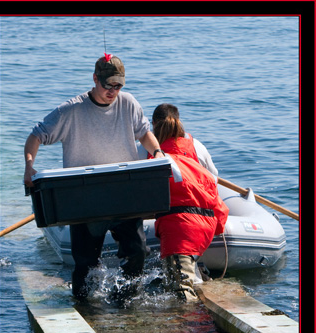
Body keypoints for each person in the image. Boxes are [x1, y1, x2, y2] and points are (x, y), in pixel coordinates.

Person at [24, 53, 164, 300]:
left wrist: (158, 151)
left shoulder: (128, 103)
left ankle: (127, 299)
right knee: (86, 262)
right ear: (95, 79)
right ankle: (84, 305)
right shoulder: (71, 110)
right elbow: (36, 136)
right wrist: (29, 166)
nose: (113, 91)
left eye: (118, 85)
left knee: (137, 251)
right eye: (107, 84)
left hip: (123, 191)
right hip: (85, 195)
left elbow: (143, 132)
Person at [150, 104, 229, 301]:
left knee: (181, 292)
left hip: (180, 227)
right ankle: (199, 277)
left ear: (153, 126)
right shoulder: (196, 147)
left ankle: (190, 328)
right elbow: (214, 180)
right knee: (186, 273)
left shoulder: (150, 151)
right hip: (206, 224)